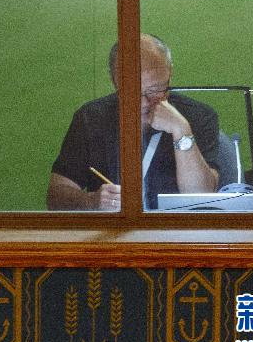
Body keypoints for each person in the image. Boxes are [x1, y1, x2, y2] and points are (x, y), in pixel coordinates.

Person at [47, 34, 218, 210]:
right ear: (114, 81)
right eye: (131, 91)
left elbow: (201, 199)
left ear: (170, 73)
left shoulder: (198, 116)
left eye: (155, 89)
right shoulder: (91, 118)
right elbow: (56, 196)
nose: (144, 102)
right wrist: (92, 201)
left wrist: (182, 132)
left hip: (178, 232)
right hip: (114, 232)